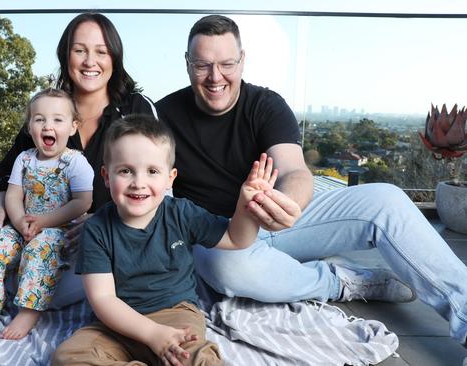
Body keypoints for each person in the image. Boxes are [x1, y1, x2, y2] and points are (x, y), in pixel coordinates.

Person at [156, 14, 467, 345]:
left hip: (278, 218)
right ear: (188, 64)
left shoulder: (265, 104)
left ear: (242, 60)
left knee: (387, 199)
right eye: (203, 65)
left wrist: (287, 203)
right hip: (220, 238)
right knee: (225, 268)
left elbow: (294, 171)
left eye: (226, 64)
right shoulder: (161, 116)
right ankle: (341, 281)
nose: (215, 76)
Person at [0, 12, 156, 309]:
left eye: (101, 52)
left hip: (98, 241)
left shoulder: (137, 109)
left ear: (114, 58)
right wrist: (4, 202)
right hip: (30, 229)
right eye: (79, 50)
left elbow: (157, 186)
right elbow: (8, 170)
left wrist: (105, 222)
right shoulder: (48, 109)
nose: (89, 61)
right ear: (65, 55)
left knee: (52, 295)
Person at [53, 114, 277, 366]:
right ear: (106, 176)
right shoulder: (97, 228)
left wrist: (246, 205)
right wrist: (151, 334)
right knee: (67, 357)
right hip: (118, 324)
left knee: (197, 359)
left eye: (152, 171)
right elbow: (103, 299)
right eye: (125, 171)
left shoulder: (181, 213)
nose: (139, 183)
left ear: (170, 179)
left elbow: (237, 239)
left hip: (175, 317)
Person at [0, 88, 93, 340]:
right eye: (39, 119)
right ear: (29, 126)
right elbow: (13, 195)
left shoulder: (75, 162)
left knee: (41, 250)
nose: (48, 126)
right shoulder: (24, 159)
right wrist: (19, 221)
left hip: (58, 229)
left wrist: (44, 222)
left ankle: (29, 310)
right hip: (23, 223)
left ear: (72, 127)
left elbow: (82, 202)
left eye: (58, 119)